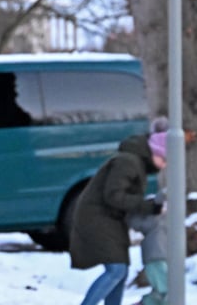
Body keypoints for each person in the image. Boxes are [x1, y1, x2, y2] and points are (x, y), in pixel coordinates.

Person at [70, 131, 167, 305]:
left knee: (120, 273)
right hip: (98, 219)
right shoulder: (127, 162)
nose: (165, 165)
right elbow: (114, 196)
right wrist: (149, 207)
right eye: (164, 159)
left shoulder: (135, 163)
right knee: (116, 270)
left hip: (110, 219)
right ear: (155, 151)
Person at [126, 117, 170, 305]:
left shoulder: (163, 213)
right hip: (155, 256)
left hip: (162, 255)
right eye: (163, 159)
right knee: (165, 293)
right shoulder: (153, 216)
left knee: (164, 293)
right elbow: (135, 221)